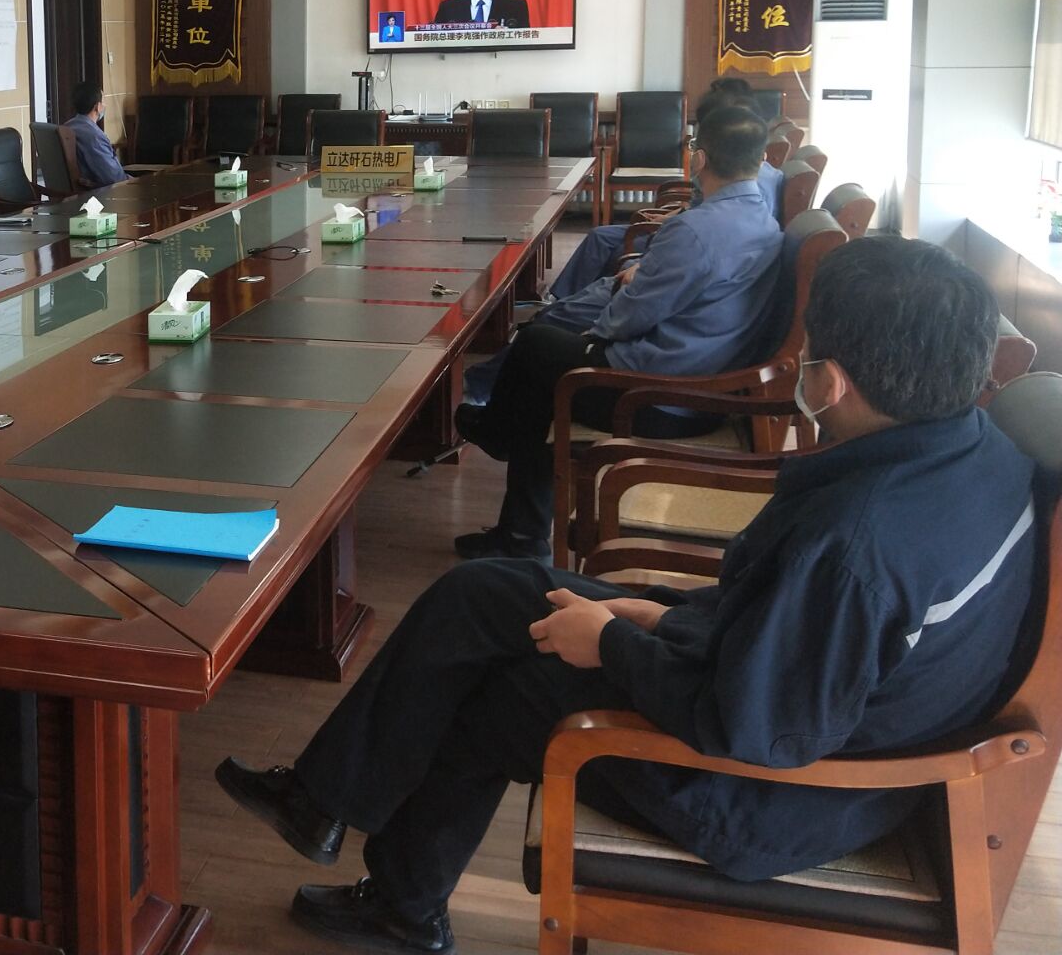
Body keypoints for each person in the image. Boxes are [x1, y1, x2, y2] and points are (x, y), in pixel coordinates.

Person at [216, 236, 1039, 954]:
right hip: (780, 698)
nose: (801, 369)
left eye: (810, 358)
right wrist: (665, 616)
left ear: (834, 384)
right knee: (486, 592)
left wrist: (612, 644)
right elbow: (804, 645)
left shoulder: (857, 545)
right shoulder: (978, 452)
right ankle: (321, 801)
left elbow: (754, 729)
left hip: (773, 798)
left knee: (513, 694)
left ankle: (403, 908)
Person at [455, 102, 784, 559]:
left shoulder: (695, 231)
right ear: (761, 159)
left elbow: (629, 316)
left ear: (699, 158)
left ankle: (505, 466)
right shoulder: (764, 219)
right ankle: (516, 520)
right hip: (703, 383)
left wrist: (596, 332)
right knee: (540, 364)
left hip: (659, 397)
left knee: (536, 345)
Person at [544, 79, 785, 304]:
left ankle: (570, 308)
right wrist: (672, 215)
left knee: (614, 263)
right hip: (680, 237)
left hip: (682, 252)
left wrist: (647, 262)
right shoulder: (727, 168)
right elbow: (698, 205)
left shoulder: (753, 186)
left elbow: (723, 243)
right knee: (599, 237)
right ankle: (562, 301)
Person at [63, 80, 127, 187]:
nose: (105, 105)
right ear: (97, 107)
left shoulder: (67, 126)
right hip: (105, 192)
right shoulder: (94, 137)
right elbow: (114, 178)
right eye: (104, 100)